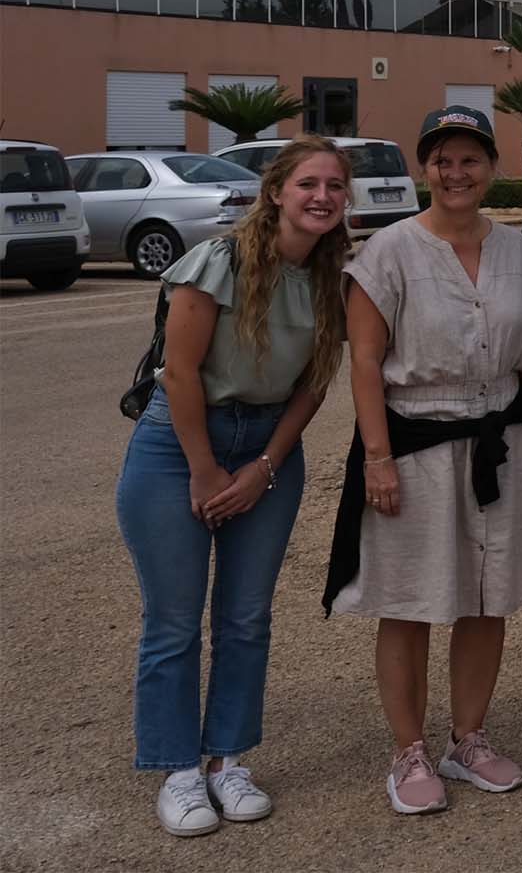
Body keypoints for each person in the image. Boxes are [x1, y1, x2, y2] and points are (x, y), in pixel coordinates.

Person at [329, 107, 522, 815]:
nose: (456, 173)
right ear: (423, 168)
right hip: (416, 441)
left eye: (470, 159)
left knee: (489, 593)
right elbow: (365, 361)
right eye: (442, 159)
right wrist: (377, 455)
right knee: (409, 599)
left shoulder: (517, 250)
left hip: (501, 438)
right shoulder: (390, 252)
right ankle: (408, 749)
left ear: (491, 166)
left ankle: (469, 738)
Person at [117, 138, 351, 838]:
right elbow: (181, 372)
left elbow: (313, 384)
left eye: (336, 185)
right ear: (276, 191)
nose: (322, 195)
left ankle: (226, 758)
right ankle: (178, 767)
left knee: (246, 617)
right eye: (307, 182)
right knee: (174, 618)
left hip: (268, 448)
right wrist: (206, 469)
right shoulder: (219, 262)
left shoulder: (331, 279)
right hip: (180, 444)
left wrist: (265, 466)